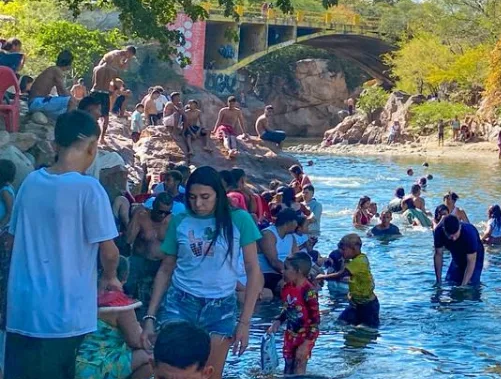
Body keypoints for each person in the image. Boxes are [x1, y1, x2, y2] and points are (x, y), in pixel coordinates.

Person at [4, 111, 121, 379]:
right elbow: (110, 252)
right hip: (63, 316)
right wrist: (111, 277)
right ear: (92, 146)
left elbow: (11, 240)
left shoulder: (31, 182)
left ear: (56, 144)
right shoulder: (89, 189)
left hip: (22, 311)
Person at [140, 166, 264, 379]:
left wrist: (245, 322)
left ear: (219, 194)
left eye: (205, 197)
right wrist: (150, 316)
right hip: (180, 302)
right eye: (193, 197)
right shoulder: (180, 221)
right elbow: (166, 268)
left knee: (210, 375)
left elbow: (254, 272)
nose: (198, 204)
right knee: (172, 371)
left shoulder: (240, 219)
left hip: (221, 307)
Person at [267, 255, 319, 375]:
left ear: (298, 271)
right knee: (288, 363)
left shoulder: (308, 292)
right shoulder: (286, 288)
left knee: (300, 362)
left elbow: (315, 320)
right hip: (291, 333)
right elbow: (288, 308)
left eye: (286, 268)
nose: (282, 271)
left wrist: (307, 343)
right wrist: (278, 321)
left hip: (306, 334)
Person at [316, 234, 379, 329]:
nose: (341, 253)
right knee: (340, 322)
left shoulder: (359, 261)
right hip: (356, 303)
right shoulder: (358, 259)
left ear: (353, 248)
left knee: (365, 329)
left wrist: (323, 277)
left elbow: (341, 274)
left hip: (368, 306)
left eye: (344, 250)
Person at [433, 215, 485, 287]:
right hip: (457, 254)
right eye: (450, 236)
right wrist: (438, 281)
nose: (453, 238)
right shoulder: (439, 232)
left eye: (455, 234)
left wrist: (463, 286)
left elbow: (471, 262)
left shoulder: (469, 233)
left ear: (460, 227)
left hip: (475, 255)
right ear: (444, 230)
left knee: (470, 284)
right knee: (450, 282)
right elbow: (438, 255)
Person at [26, 50, 73, 117]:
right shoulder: (57, 71)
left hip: (34, 103)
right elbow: (63, 92)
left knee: (65, 110)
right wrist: (74, 100)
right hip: (36, 102)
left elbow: (61, 94)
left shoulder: (53, 69)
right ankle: (67, 124)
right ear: (69, 63)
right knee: (71, 102)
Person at [90, 50, 125, 139]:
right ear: (113, 60)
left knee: (91, 113)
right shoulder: (114, 71)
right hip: (105, 93)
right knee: (105, 116)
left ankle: (89, 133)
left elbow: (93, 82)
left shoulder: (96, 69)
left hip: (95, 91)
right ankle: (102, 138)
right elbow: (114, 84)